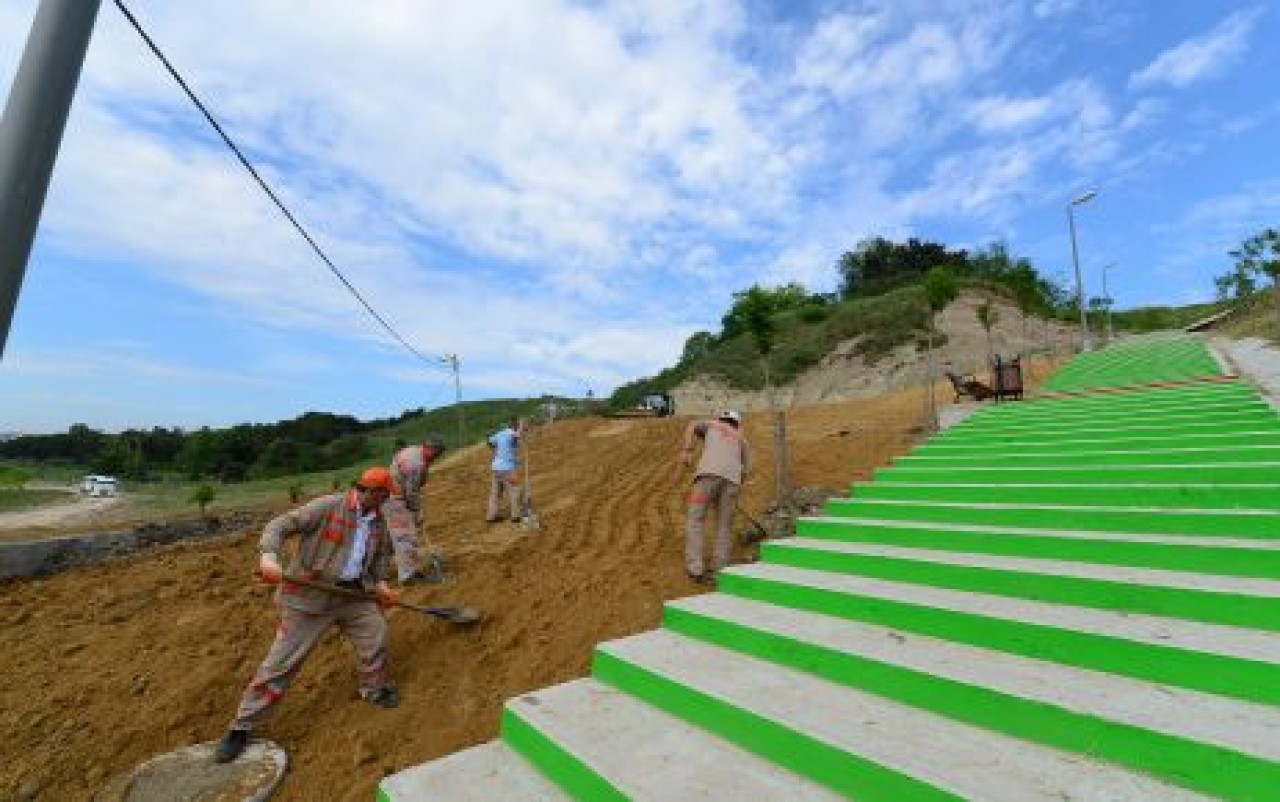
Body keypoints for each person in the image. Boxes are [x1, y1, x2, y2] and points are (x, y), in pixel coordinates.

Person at [214, 467, 401, 764]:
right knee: (280, 664)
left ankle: (374, 689)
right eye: (385, 494)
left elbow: (379, 562)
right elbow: (280, 525)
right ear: (371, 491)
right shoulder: (328, 507)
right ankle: (241, 728)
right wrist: (269, 557)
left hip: (354, 595)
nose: (387, 500)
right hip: (310, 597)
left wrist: (382, 587)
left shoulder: (379, 524)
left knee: (375, 636)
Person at [679, 410, 751, 584]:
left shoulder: (712, 424)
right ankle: (720, 570)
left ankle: (695, 568)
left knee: (695, 519)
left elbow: (692, 424)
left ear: (722, 418)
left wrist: (687, 450)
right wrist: (732, 488)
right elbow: (746, 469)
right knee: (724, 525)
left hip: (706, 478)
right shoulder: (742, 439)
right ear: (737, 423)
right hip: (732, 482)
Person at [387, 437, 447, 584]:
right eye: (436, 455)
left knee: (390, 537)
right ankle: (408, 575)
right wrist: (416, 512)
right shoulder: (416, 464)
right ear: (429, 449)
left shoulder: (413, 450)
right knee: (406, 536)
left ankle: (380, 571)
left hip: (389, 496)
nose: (436, 458)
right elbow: (411, 493)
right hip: (396, 500)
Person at [485, 417, 522, 523]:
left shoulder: (500, 433)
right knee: (514, 490)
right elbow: (516, 436)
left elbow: (489, 441)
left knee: (495, 493)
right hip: (507, 469)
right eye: (517, 426)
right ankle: (516, 515)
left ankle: (491, 516)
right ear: (514, 426)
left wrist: (497, 451)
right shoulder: (512, 433)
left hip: (496, 467)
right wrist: (520, 430)